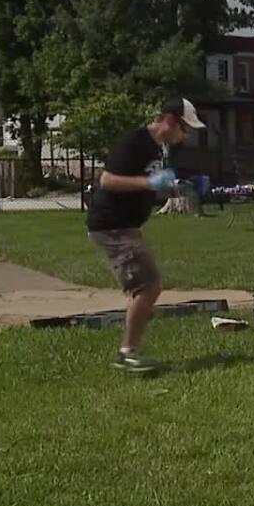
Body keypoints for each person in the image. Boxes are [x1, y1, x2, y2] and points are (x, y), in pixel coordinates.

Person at [87, 97, 205, 373]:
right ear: (170, 121)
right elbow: (107, 180)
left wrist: (171, 187)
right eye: (184, 129)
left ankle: (129, 351)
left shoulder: (157, 148)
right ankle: (127, 354)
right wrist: (149, 182)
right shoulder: (135, 141)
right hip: (111, 226)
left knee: (146, 287)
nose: (185, 136)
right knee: (148, 287)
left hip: (126, 226)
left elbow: (145, 185)